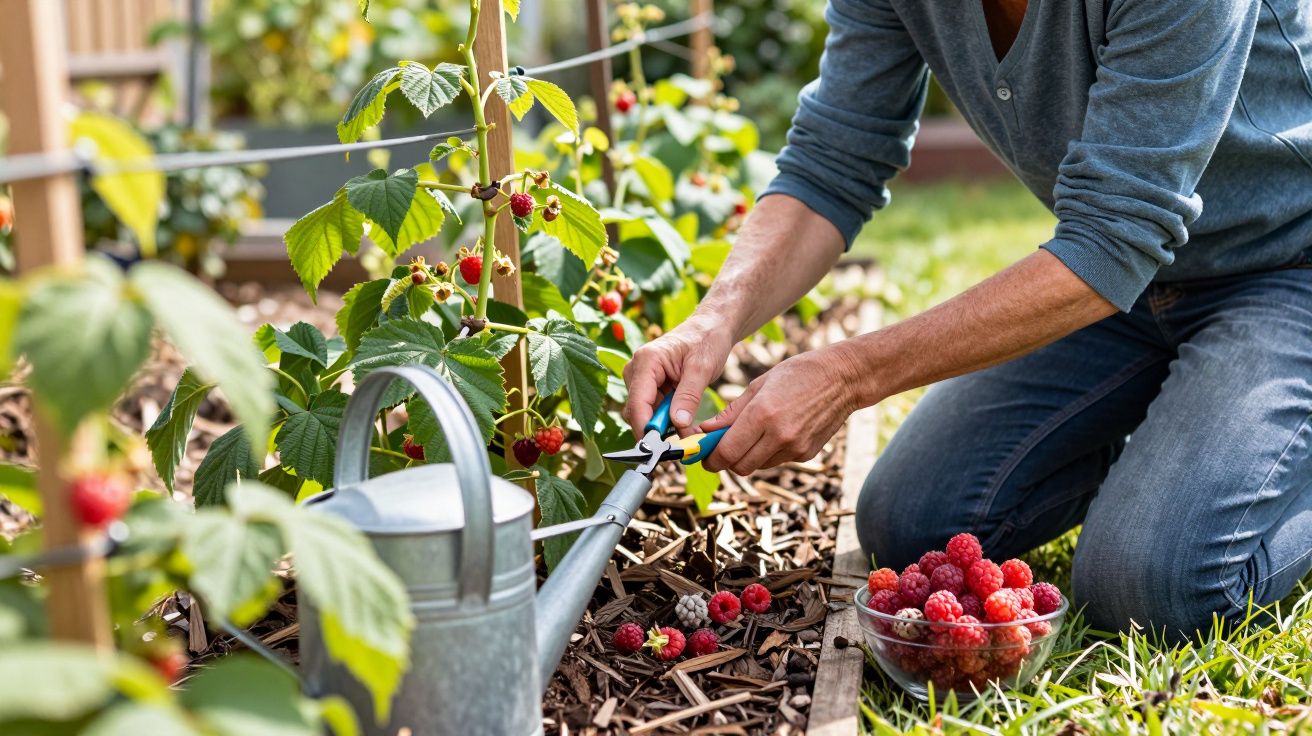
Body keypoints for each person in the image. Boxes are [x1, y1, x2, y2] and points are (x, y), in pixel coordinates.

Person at [621, 0, 1312, 638]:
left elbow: (1113, 233)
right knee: (913, 519)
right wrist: (712, 321)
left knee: (1154, 587)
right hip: (1126, 281)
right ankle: (1201, 437)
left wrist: (848, 374)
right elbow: (833, 159)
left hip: (1288, 263)